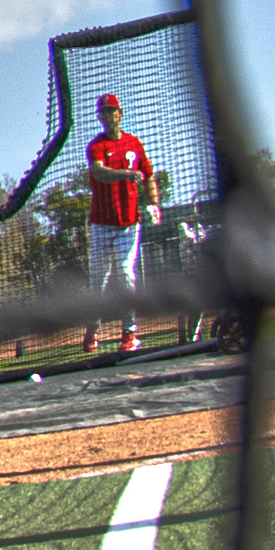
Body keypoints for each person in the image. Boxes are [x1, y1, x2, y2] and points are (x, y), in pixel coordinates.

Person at [82, 93, 159, 356]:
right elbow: (99, 172)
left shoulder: (134, 143)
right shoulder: (97, 146)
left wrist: (153, 203)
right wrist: (127, 174)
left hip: (128, 223)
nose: (108, 115)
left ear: (120, 113)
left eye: (112, 111)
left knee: (125, 273)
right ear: (99, 117)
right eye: (103, 112)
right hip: (102, 224)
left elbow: (148, 175)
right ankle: (93, 328)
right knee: (98, 281)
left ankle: (129, 333)